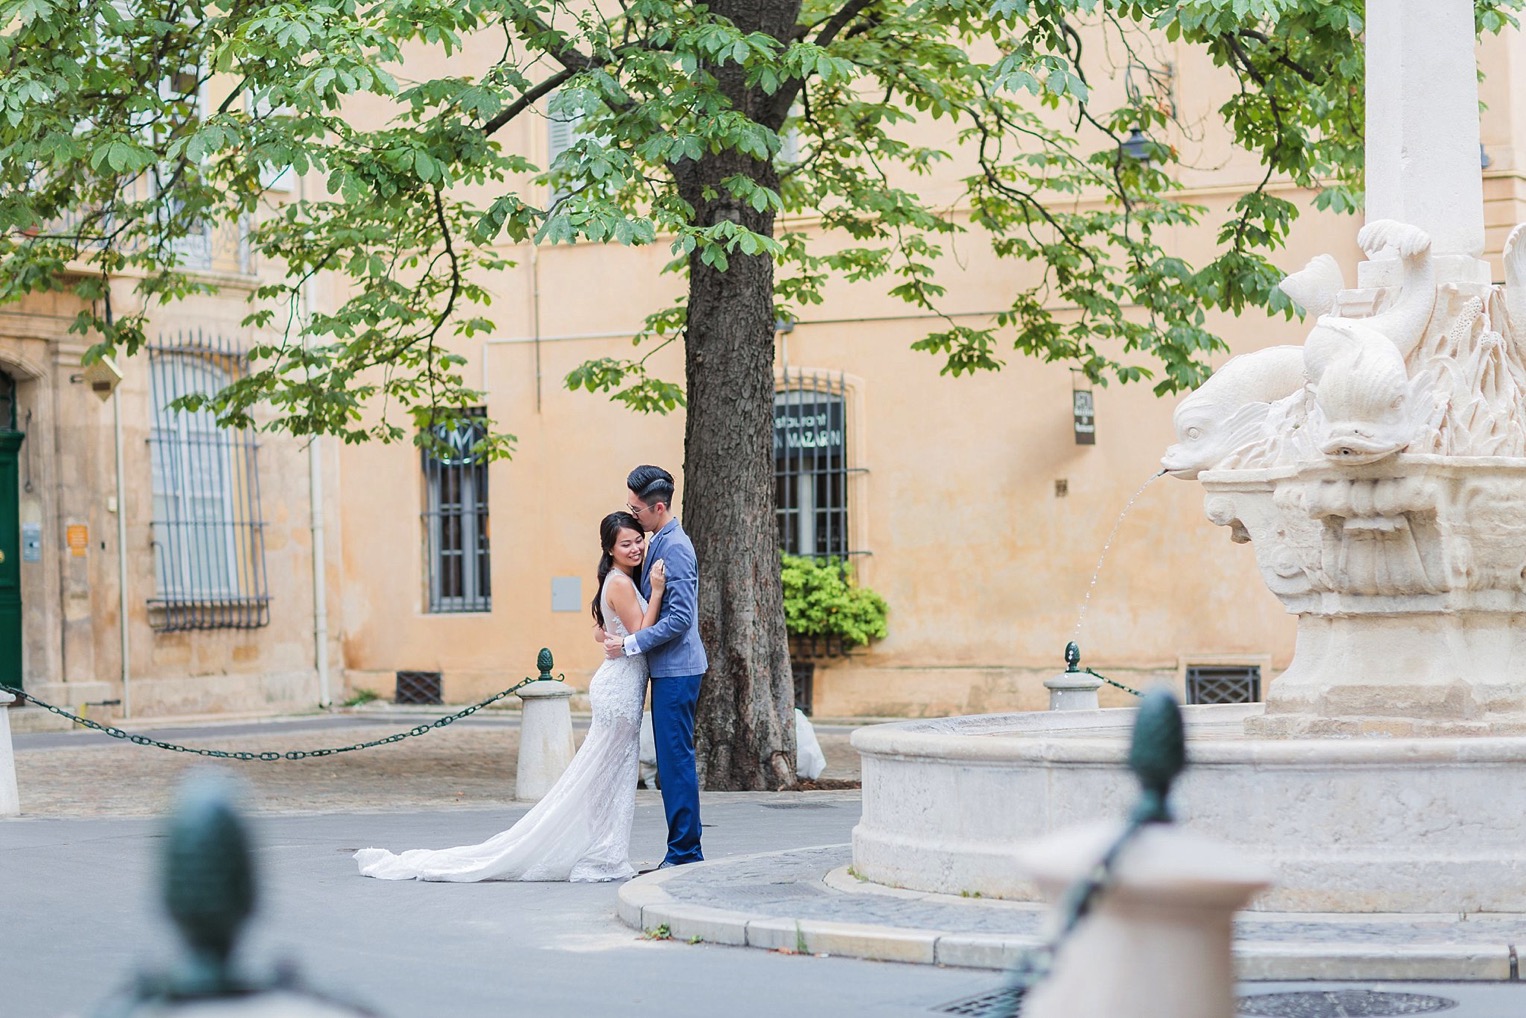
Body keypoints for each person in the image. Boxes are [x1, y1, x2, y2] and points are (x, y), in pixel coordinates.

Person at [353, 512, 665, 882]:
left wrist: (615, 639)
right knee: (605, 776)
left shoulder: (615, 580)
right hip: (619, 690)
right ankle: (601, 854)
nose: (635, 548)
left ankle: (601, 849)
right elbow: (642, 632)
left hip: (618, 683)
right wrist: (657, 592)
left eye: (637, 540)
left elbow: (601, 633)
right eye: (625, 543)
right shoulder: (622, 585)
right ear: (610, 549)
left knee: (604, 776)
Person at [603, 465, 707, 868]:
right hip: (667, 670)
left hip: (678, 671)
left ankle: (684, 853)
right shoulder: (657, 541)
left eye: (636, 509)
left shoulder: (675, 546)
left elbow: (681, 619)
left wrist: (630, 643)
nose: (632, 515)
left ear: (658, 507)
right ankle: (684, 851)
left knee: (675, 760)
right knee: (672, 759)